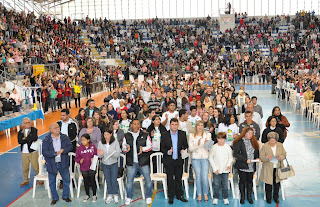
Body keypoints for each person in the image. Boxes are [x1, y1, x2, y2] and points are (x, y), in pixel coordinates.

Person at [122, 119, 153, 205]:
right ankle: (129, 197)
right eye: (134, 124)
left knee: (148, 180)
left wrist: (142, 149)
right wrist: (126, 149)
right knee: (129, 181)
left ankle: (148, 196)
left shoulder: (145, 135)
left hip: (143, 161)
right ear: (131, 125)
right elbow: (123, 147)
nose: (136, 126)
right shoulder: (126, 135)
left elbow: (150, 146)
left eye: (138, 124)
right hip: (131, 162)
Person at [42, 123, 73, 205]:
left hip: (63, 162)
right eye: (55, 128)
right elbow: (44, 152)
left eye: (58, 127)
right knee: (52, 182)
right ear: (51, 130)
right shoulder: (46, 139)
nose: (58, 129)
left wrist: (63, 150)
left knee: (66, 180)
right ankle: (55, 198)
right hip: (52, 163)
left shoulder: (64, 137)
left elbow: (70, 146)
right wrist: (55, 153)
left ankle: (66, 196)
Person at [161, 118, 188, 204]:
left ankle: (179, 194)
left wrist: (183, 150)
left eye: (176, 124)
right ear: (170, 125)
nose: (174, 126)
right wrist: (168, 152)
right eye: (172, 124)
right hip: (169, 160)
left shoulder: (182, 134)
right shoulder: (165, 134)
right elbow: (162, 148)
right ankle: (171, 196)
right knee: (170, 178)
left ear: (178, 125)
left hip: (178, 160)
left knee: (178, 178)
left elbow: (185, 145)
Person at [233, 127, 260, 205]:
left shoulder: (254, 141)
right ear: (244, 133)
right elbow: (236, 154)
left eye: (252, 133)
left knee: (249, 181)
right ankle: (242, 196)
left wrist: (257, 157)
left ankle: (249, 196)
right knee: (242, 181)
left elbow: (257, 151)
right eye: (249, 133)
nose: (250, 135)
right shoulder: (239, 142)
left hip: (251, 165)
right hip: (242, 165)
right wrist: (245, 160)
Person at [259, 132, 287, 204]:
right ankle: (269, 198)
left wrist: (280, 157)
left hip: (278, 167)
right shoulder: (265, 146)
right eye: (270, 140)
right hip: (268, 168)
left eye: (273, 140)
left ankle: (276, 197)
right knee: (268, 184)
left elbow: (284, 155)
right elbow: (261, 157)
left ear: (276, 140)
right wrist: (267, 157)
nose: (272, 141)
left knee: (277, 183)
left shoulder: (280, 145)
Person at [188, 120, 211, 203]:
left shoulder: (207, 135)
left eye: (201, 125)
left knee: (204, 177)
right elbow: (190, 149)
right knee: (198, 177)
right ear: (196, 126)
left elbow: (209, 147)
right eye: (198, 125)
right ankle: (199, 194)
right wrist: (197, 144)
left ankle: (205, 193)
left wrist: (206, 144)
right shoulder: (191, 136)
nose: (200, 127)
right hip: (195, 158)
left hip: (205, 157)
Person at [98, 129, 121, 204]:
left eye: (107, 134)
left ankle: (115, 194)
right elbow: (99, 155)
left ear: (111, 134)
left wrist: (112, 154)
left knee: (114, 180)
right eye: (105, 135)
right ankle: (110, 194)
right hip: (105, 164)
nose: (106, 136)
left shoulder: (115, 142)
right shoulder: (100, 143)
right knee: (108, 180)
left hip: (113, 163)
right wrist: (101, 154)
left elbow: (118, 154)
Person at [209, 132, 233, 205]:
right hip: (216, 170)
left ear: (225, 139)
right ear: (217, 139)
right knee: (216, 184)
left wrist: (228, 164)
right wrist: (214, 168)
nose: (221, 140)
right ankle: (216, 197)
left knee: (225, 185)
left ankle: (225, 197)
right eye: (219, 139)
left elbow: (230, 157)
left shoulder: (228, 147)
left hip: (225, 169)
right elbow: (210, 158)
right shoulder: (214, 147)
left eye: (223, 139)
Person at [18, 117, 42, 186]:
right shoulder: (20, 132)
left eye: (29, 122)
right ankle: (25, 180)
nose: (28, 124)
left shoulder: (34, 130)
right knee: (25, 167)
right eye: (26, 123)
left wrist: (25, 139)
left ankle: (40, 179)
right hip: (24, 152)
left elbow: (34, 138)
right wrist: (28, 139)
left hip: (32, 152)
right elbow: (19, 141)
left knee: (36, 166)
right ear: (23, 124)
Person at [75, 133, 98, 202]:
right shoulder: (79, 148)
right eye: (81, 140)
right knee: (86, 181)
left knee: (92, 180)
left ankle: (94, 195)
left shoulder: (93, 147)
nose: (82, 141)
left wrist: (94, 159)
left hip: (92, 167)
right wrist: (79, 160)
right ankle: (87, 194)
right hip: (84, 168)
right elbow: (76, 158)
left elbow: (97, 156)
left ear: (88, 140)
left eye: (84, 140)